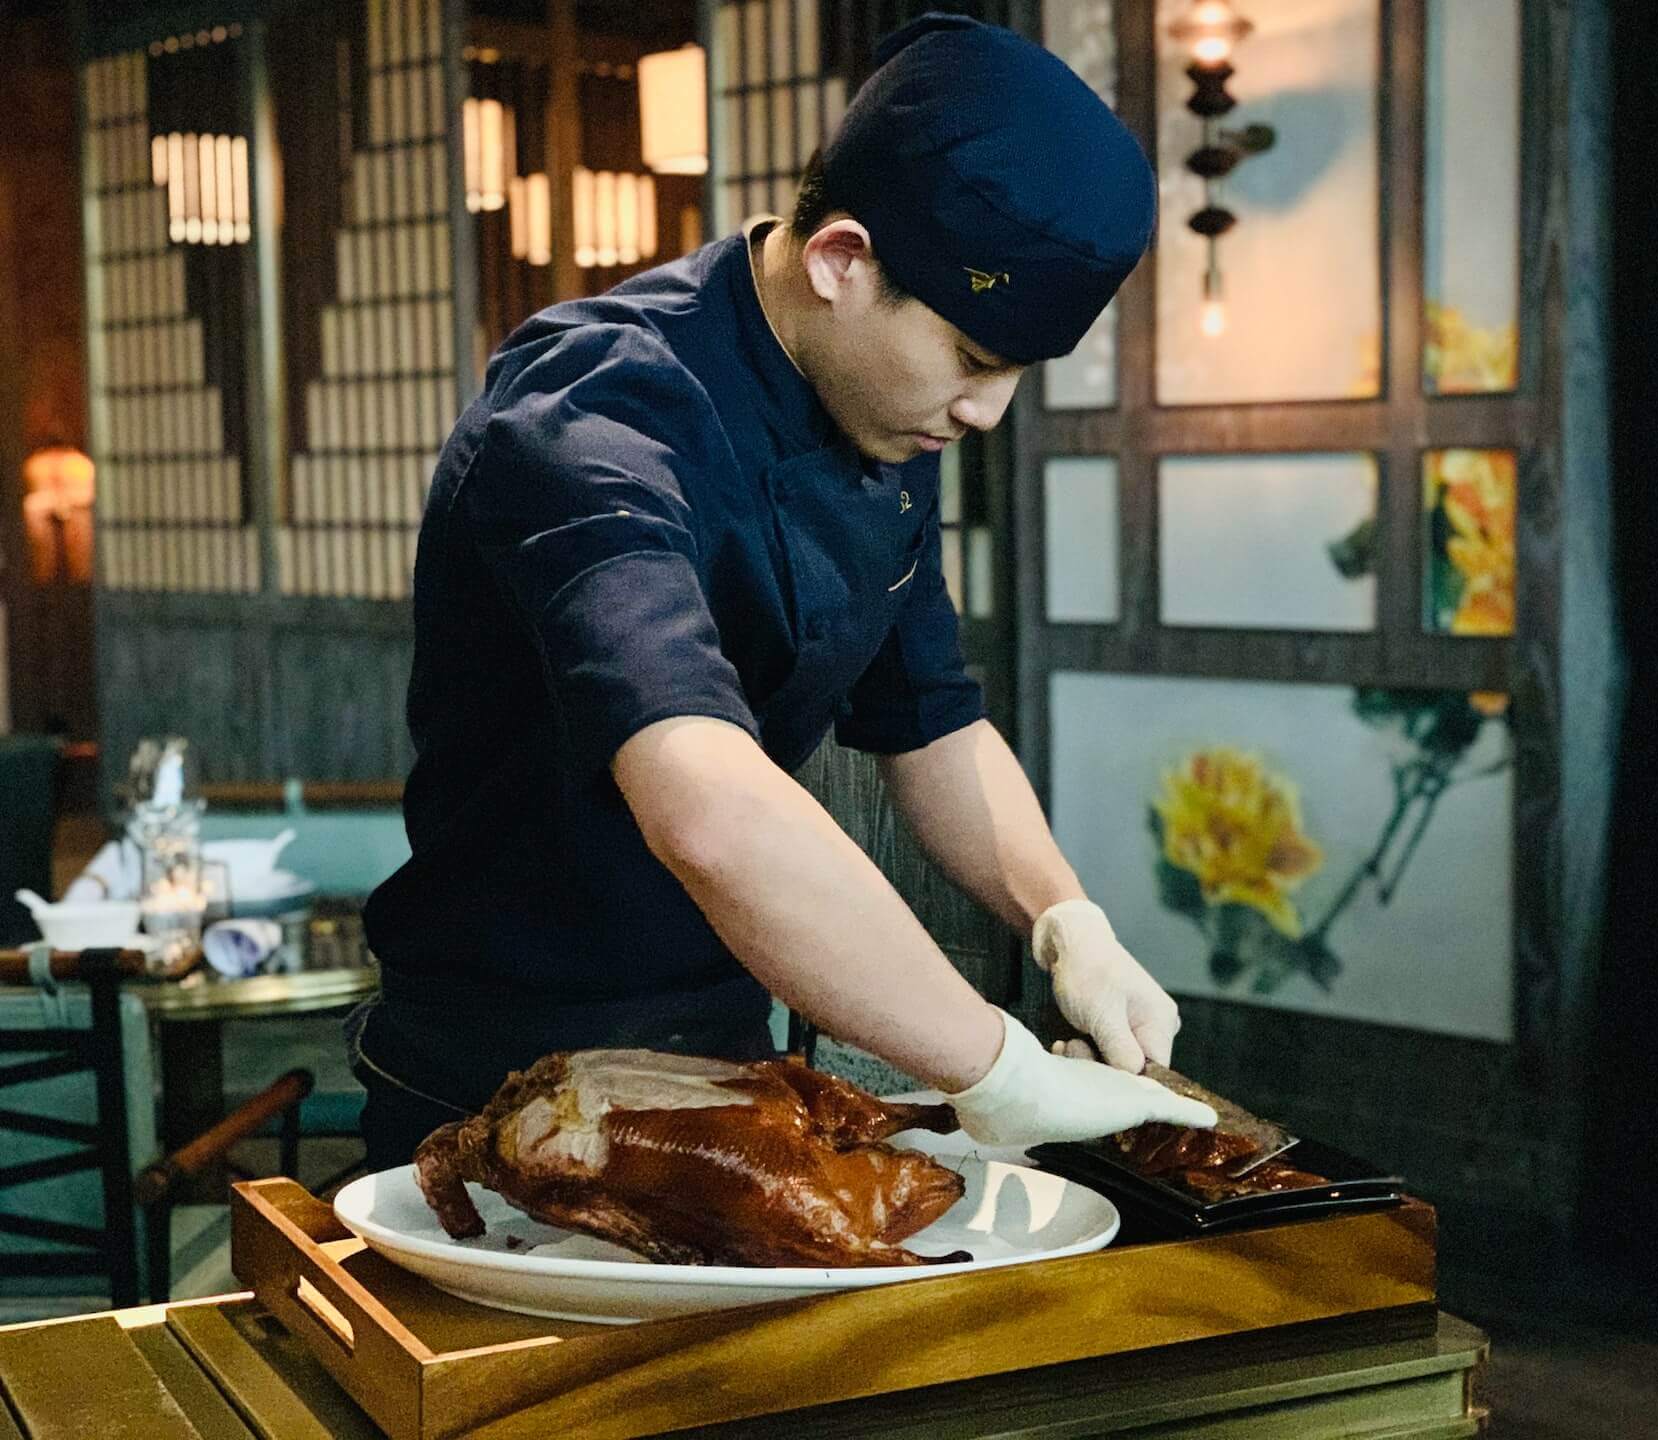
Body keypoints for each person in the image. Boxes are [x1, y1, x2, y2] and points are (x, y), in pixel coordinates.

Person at [351, 12, 1216, 1171]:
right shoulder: (593, 418)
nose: (985, 414)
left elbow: (933, 722)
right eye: (972, 361)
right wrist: (995, 1066)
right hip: (500, 1069)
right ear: (841, 262)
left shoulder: (878, 424)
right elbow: (706, 805)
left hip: (723, 1043)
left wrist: (1068, 925)